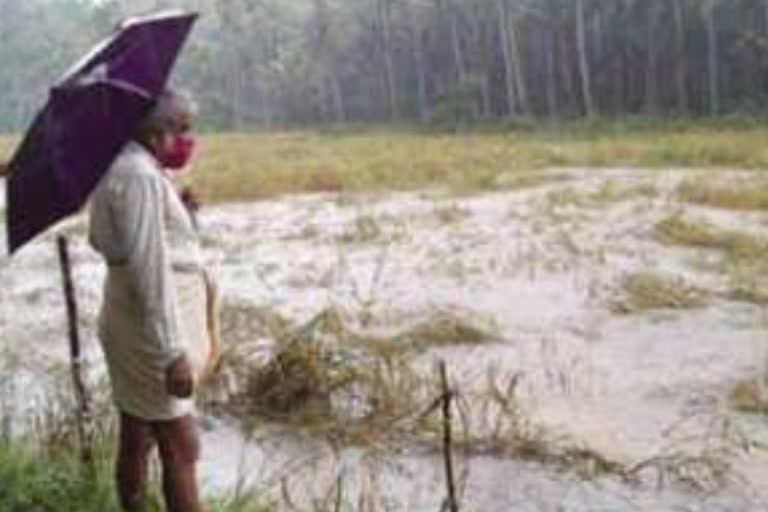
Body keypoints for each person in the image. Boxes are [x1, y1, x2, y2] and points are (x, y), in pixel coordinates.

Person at [89, 89, 217, 512]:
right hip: (150, 333)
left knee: (137, 431)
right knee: (181, 446)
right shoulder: (139, 175)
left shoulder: (130, 167)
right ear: (154, 130)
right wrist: (173, 352)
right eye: (180, 130)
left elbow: (112, 241)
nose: (186, 140)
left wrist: (181, 210)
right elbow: (150, 268)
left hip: (129, 320)